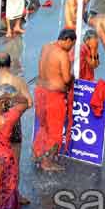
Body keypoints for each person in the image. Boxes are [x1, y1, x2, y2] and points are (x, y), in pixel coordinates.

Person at [31, 29, 76, 171]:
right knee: (55, 131)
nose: (71, 48)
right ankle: (47, 162)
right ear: (68, 40)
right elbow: (66, 78)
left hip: (40, 91)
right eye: (72, 45)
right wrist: (73, 77)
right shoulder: (62, 54)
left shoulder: (46, 47)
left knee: (44, 126)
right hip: (54, 95)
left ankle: (37, 153)